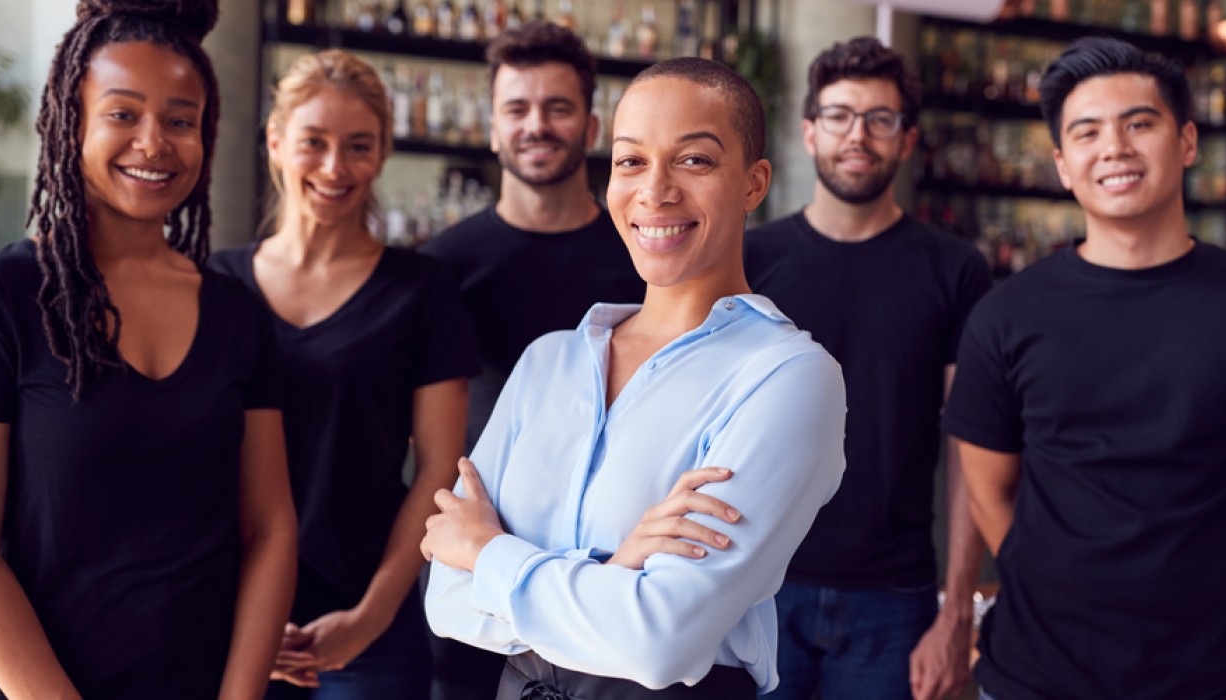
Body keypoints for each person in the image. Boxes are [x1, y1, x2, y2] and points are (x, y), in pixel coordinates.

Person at [420, 57, 846, 698]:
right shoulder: (548, 362)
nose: (655, 191)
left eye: (694, 160)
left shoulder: (788, 377)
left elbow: (656, 642)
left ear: (754, 182)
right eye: (630, 160)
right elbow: (447, 602)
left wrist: (487, 554)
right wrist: (616, 572)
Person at [942, 37, 1226, 700]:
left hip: (1205, 679)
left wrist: (1187, 586)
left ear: (1186, 141)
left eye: (1139, 124)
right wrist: (1067, 581)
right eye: (1087, 131)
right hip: (1034, 678)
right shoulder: (1004, 317)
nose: (1115, 148)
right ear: (1064, 164)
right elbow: (989, 493)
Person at [0, 1, 298, 698]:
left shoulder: (237, 313)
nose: (154, 142)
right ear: (70, 122)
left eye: (180, 120)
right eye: (123, 114)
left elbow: (271, 528)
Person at [208, 49, 478, 697]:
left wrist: (370, 617)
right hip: (227, 615)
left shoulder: (422, 290)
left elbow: (439, 469)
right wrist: (237, 618)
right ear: (275, 142)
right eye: (314, 143)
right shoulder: (213, 285)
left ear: (382, 153)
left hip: (369, 628)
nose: (335, 167)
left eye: (359, 146)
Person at [744, 36, 991, 700]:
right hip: (756, 585)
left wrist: (957, 607)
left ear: (907, 140)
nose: (859, 135)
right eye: (840, 116)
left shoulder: (954, 269)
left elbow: (972, 450)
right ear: (808, 131)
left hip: (895, 593)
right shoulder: (750, 260)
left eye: (880, 119)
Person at [417, 21, 644, 697]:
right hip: (468, 565)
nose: (536, 125)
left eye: (558, 107)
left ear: (592, 125)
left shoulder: (640, 258)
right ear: (491, 127)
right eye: (517, 109)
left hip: (606, 569)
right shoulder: (441, 267)